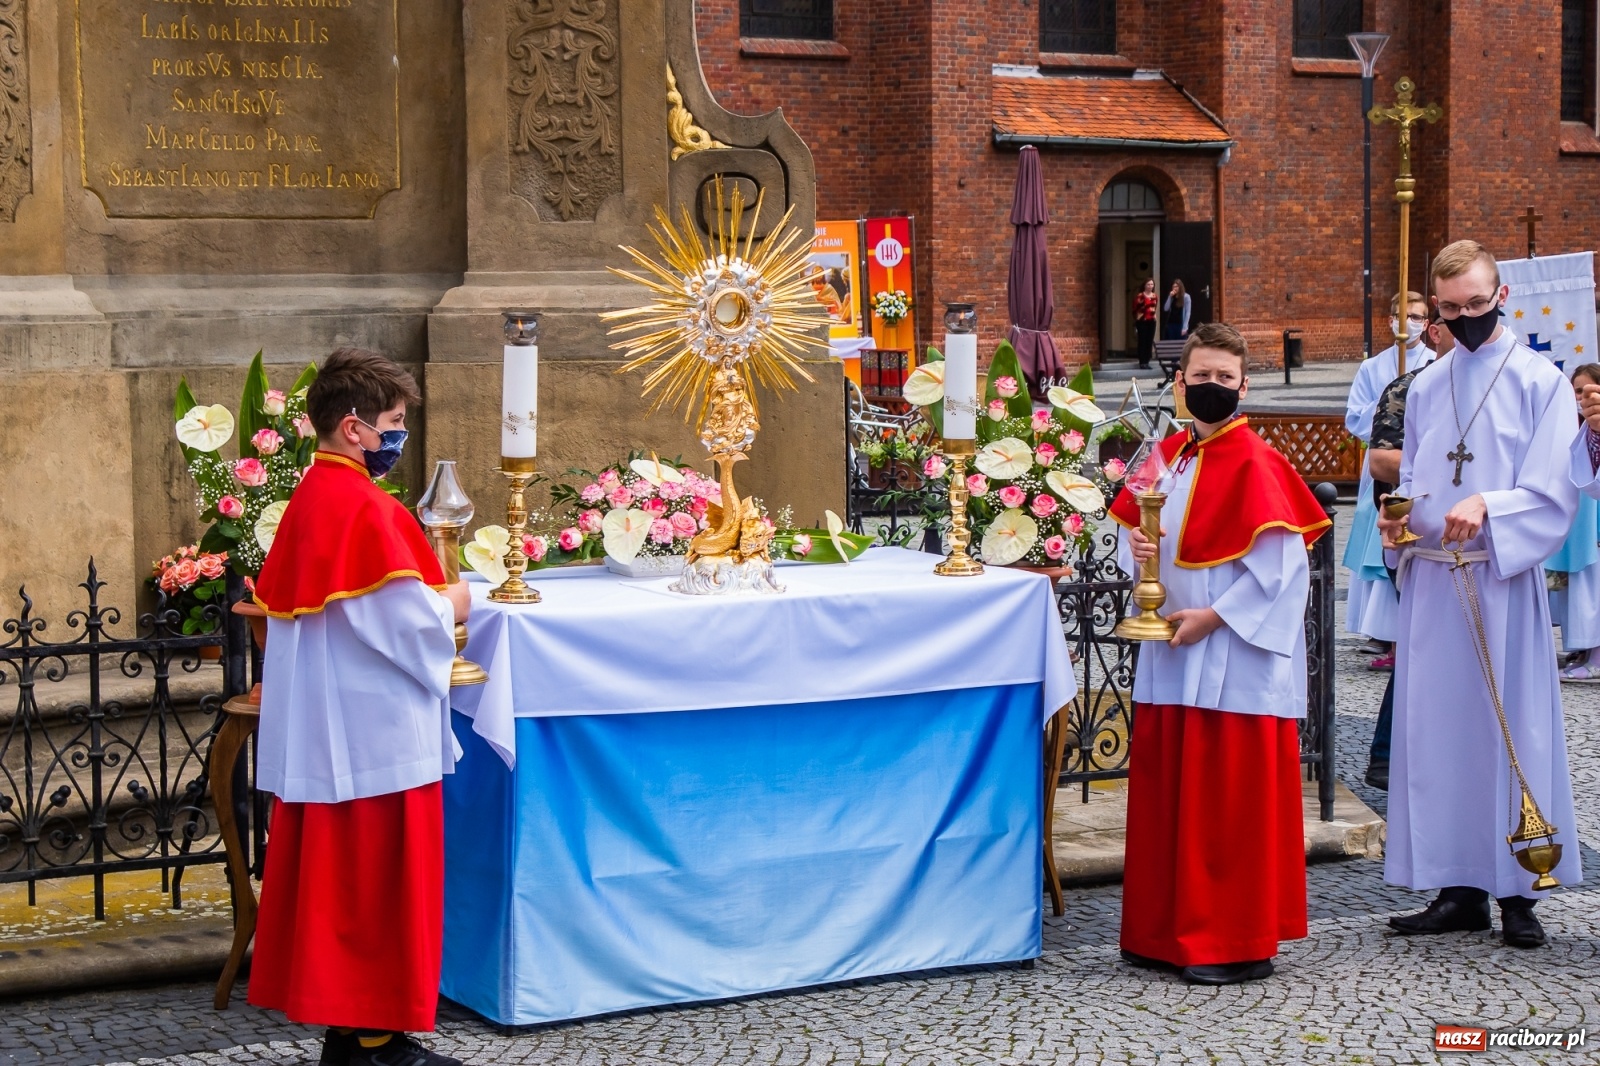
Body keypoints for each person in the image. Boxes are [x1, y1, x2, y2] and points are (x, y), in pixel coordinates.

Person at [248, 347, 473, 1066]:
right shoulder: (362, 508)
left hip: (339, 732)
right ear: (354, 427)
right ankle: (374, 1044)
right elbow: (407, 626)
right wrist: (464, 601)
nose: (399, 437)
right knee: (380, 891)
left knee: (347, 892)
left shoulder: (316, 496)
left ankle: (356, 1037)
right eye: (395, 423)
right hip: (377, 740)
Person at [1111, 322, 1332, 985]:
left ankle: (1234, 941)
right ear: (1179, 384)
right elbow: (1132, 535)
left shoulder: (1262, 464)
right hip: (1172, 654)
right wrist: (1139, 554)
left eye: (1223, 379)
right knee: (1167, 796)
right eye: (1199, 377)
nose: (1211, 388)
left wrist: (1213, 617)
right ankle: (1160, 931)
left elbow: (1283, 574)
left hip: (1235, 658)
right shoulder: (1164, 456)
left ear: (1244, 385)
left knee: (1228, 806)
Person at [1378, 240, 1581, 950]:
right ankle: (1457, 886)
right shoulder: (1428, 385)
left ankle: (1520, 894)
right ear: (1435, 308)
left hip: (1498, 582)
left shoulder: (1539, 382)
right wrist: (1395, 519)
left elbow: (1554, 489)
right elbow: (1421, 477)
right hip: (1435, 577)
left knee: (1509, 729)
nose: (1464, 317)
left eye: (1476, 304)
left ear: (1501, 298)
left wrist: (1491, 505)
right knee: (1438, 736)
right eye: (1450, 308)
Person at [1360, 305, 1452, 790]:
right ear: (1434, 332)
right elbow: (1380, 460)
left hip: (1473, 537)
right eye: (1450, 319)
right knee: (1423, 641)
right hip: (1411, 534)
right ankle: (1387, 756)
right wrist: (1453, 476)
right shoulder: (1408, 386)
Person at [1342, 291, 1435, 667]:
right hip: (1383, 466)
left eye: (1416, 315)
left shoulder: (1436, 363)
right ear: (1390, 320)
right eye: (1402, 314)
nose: (1408, 321)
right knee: (1378, 545)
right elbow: (1354, 417)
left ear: (1428, 323)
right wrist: (1389, 407)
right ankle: (1381, 630)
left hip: (1419, 464)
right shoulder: (1374, 367)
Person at [1549, 362, 1600, 681]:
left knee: (1592, 588)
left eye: (1586, 390)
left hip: (1593, 519)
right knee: (1573, 589)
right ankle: (1582, 646)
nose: (1580, 397)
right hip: (1574, 521)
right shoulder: (1566, 424)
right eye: (1575, 391)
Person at [1133, 278, 1158, 368]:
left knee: (1149, 340)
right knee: (1142, 340)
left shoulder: (1155, 296)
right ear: (1144, 285)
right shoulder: (1140, 296)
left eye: (1152, 284)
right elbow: (1135, 308)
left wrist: (1154, 315)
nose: (1150, 286)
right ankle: (1142, 361)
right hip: (1142, 320)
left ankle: (1147, 361)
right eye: (1148, 284)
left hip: (1151, 320)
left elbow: (1155, 307)